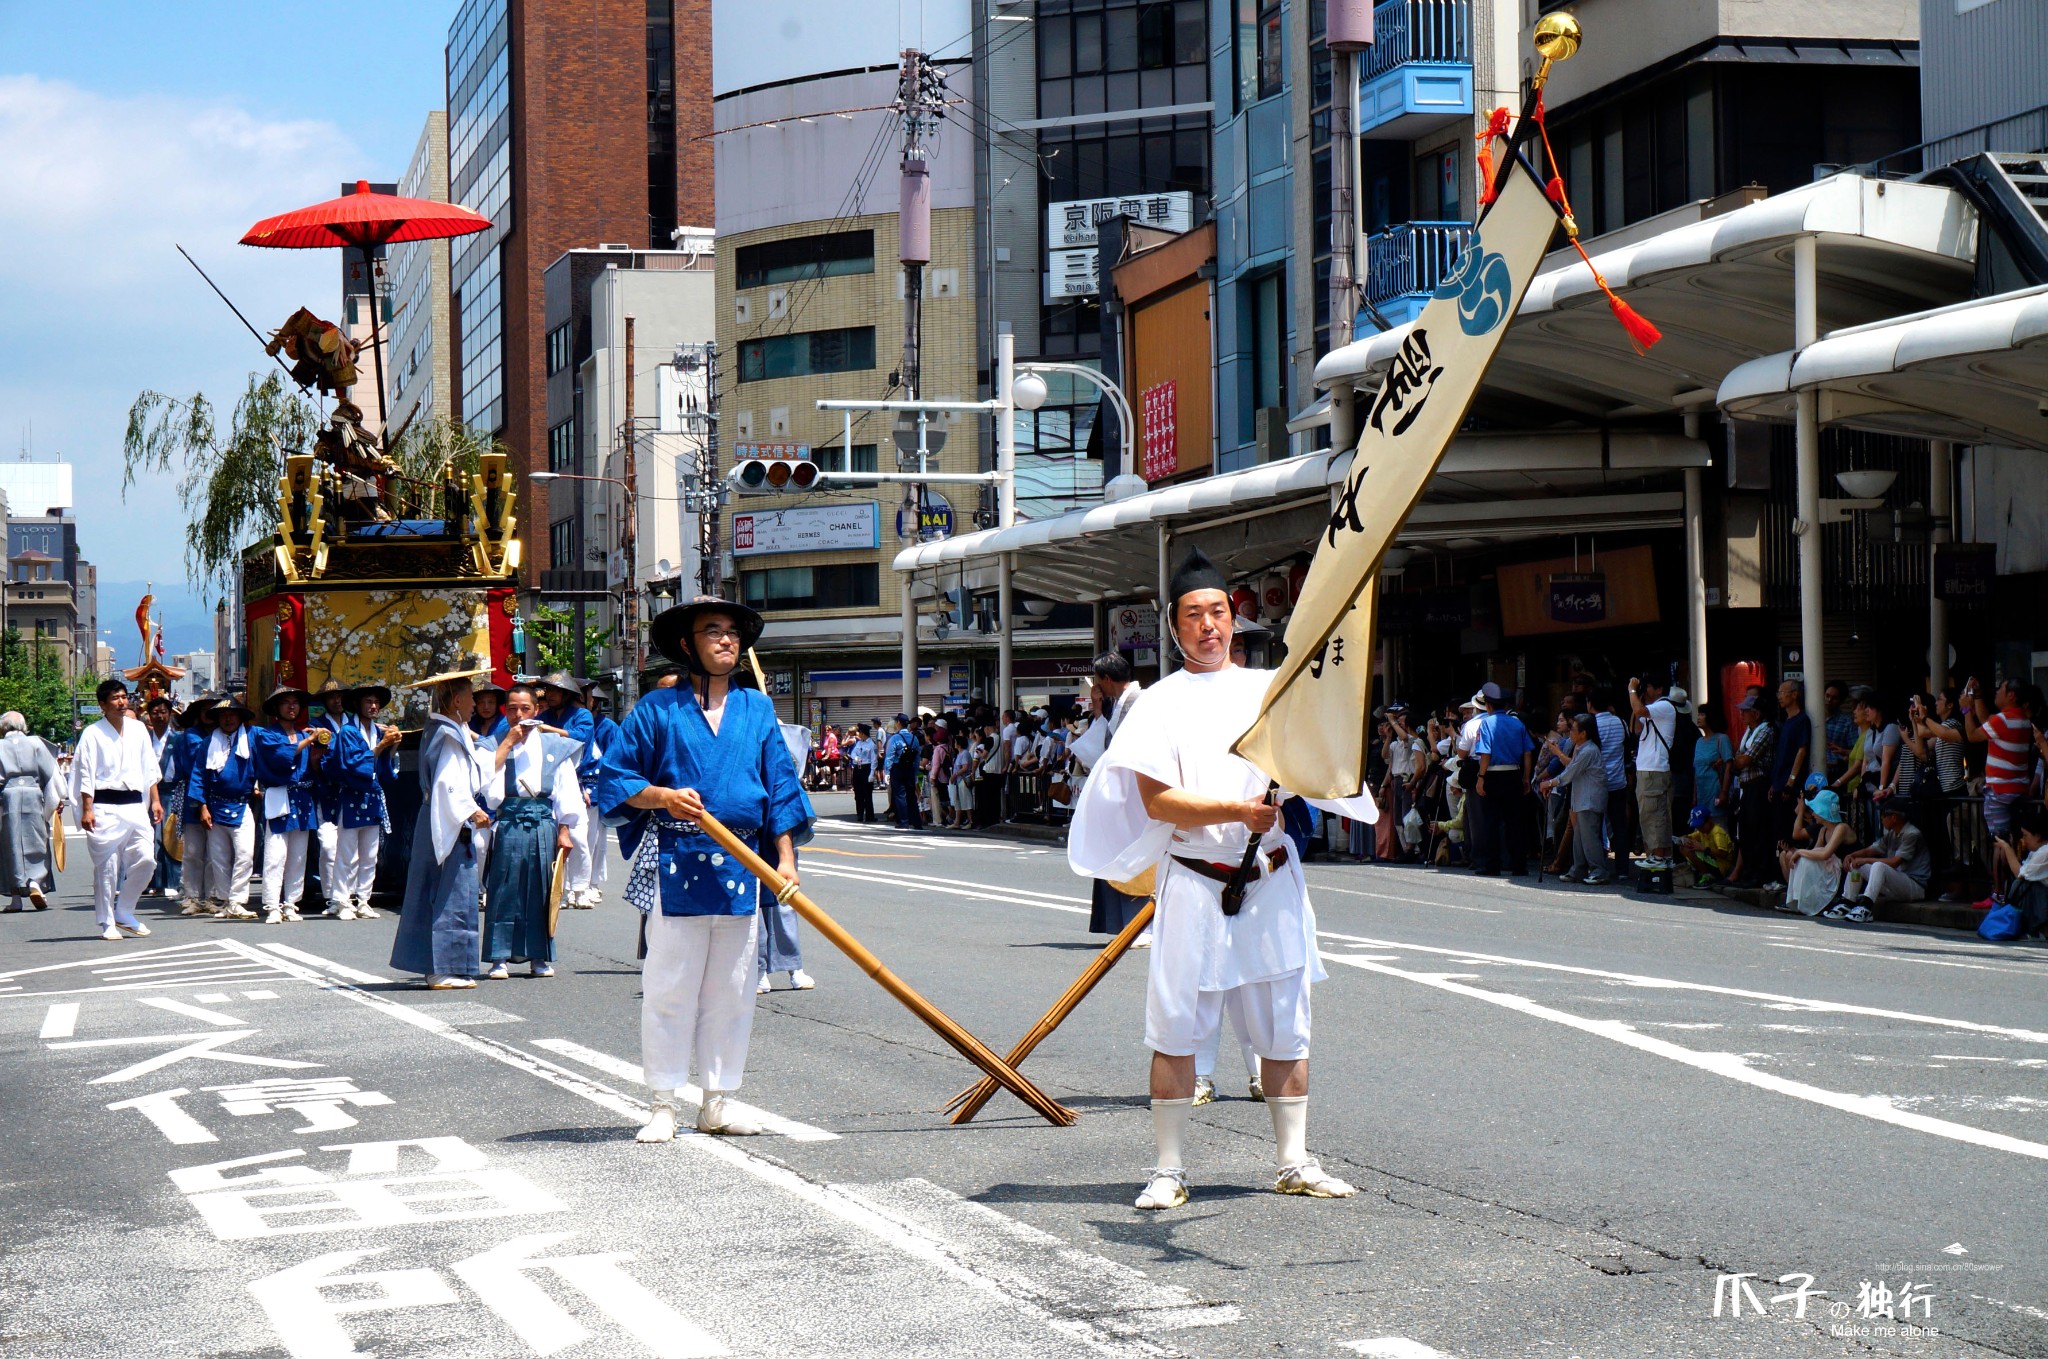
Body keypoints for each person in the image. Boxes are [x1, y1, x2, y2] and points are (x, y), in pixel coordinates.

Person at [1066, 547, 1370, 1210]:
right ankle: (1169, 1167)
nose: (1209, 624)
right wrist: (1238, 809)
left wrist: (1299, 780)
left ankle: (1293, 1159)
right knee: (1176, 1026)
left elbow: (1320, 761)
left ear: (1234, 619)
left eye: (1218, 612)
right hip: (1198, 882)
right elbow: (1159, 801)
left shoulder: (1270, 690)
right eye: (1194, 615)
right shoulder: (1158, 705)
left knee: (1286, 1025)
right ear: (1174, 630)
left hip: (1268, 878)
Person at [598, 596, 815, 1143]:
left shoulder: (757, 709)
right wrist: (663, 796)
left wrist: (785, 859)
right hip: (679, 858)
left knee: (733, 989)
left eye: (733, 632)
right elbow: (616, 778)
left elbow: (780, 789)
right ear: (686, 645)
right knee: (670, 986)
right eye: (712, 630)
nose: (727, 640)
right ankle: (663, 1102)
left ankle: (718, 1100)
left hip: (743, 864)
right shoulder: (655, 709)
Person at [390, 670, 495, 990]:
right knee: (447, 894)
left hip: (440, 817)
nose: (476, 704)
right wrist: (471, 810)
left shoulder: (450, 729)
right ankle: (441, 968)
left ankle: (446, 966)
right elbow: (448, 784)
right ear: (456, 700)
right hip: (446, 819)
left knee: (445, 892)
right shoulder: (447, 734)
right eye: (471, 697)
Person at [481, 682, 582, 980]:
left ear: (537, 710)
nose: (519, 715)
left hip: (543, 820)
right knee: (504, 888)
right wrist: (507, 744)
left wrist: (565, 829)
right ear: (505, 711)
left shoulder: (555, 746)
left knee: (541, 889)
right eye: (512, 709)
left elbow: (566, 791)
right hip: (510, 819)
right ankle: (499, 957)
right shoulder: (494, 744)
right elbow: (488, 791)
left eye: (525, 708)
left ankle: (539, 956)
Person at [74, 679, 164, 941]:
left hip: (135, 804)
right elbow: (85, 773)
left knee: (147, 859)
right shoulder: (92, 733)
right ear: (103, 704)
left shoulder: (138, 730)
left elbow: (149, 769)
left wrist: (155, 800)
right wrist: (87, 809)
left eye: (124, 697)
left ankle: (125, 910)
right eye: (115, 698)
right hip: (104, 806)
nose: (122, 702)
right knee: (108, 868)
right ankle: (107, 921)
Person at [1073, 651, 1149, 938]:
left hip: (1135, 794)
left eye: (1098, 680)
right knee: (1115, 857)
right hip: (1121, 794)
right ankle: (1126, 924)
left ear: (1106, 678)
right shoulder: (1119, 704)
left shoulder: (1140, 702)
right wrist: (1097, 706)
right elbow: (1105, 742)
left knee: (1134, 860)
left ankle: (1141, 924)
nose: (1097, 686)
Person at [251, 686, 324, 925]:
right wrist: (310, 740)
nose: (292, 707)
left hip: (302, 798)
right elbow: (282, 757)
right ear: (276, 708)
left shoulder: (305, 735)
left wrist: (317, 752)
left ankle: (291, 903)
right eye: (286, 703)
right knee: (275, 854)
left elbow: (313, 768)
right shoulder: (267, 735)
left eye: (295, 703)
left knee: (298, 856)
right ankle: (272, 904)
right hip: (280, 795)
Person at [330, 684, 401, 920]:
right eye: (368, 702)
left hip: (372, 796)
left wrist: (394, 745)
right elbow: (352, 764)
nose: (373, 706)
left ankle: (363, 899)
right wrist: (381, 746)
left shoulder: (378, 731)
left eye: (376, 702)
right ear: (358, 705)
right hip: (352, 795)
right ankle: (342, 900)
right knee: (347, 853)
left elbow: (384, 769)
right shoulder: (348, 732)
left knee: (371, 853)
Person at [187, 696, 261, 921]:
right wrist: (202, 806)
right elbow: (199, 774)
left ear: (240, 717)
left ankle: (238, 900)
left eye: (232, 714)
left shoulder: (252, 737)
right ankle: (228, 900)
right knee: (218, 858)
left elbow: (271, 754)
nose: (228, 719)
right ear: (217, 719)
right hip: (215, 806)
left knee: (245, 854)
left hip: (242, 804)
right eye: (223, 715)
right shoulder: (208, 742)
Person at [1964, 677, 2036, 894]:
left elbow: (1973, 735)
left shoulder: (2002, 720)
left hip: (1999, 790)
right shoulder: (2022, 719)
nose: (1996, 692)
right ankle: (2010, 891)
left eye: (2001, 690)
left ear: (2011, 695)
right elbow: (1988, 723)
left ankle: (1999, 893)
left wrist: (1967, 709)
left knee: (1999, 841)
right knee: (2012, 840)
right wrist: (1977, 697)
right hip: (2019, 788)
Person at [1471, 682, 1535, 876]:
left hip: (1492, 774)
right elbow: (1527, 753)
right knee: (1515, 822)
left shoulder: (1486, 724)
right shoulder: (1517, 723)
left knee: (1490, 821)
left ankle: (1492, 865)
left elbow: (1485, 753)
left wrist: (1481, 777)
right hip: (1514, 774)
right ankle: (1518, 865)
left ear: (1488, 706)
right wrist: (1525, 777)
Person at [568, 677, 621, 909]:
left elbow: (613, 758)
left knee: (595, 840)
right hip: (577, 783)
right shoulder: (573, 720)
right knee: (577, 839)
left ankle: (590, 882)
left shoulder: (607, 727)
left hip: (597, 786)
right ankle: (572, 884)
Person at [1541, 713, 1610, 885]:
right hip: (1582, 799)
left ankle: (1598, 870)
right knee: (1579, 837)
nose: (1570, 732)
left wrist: (1550, 783)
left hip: (1590, 800)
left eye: (1573, 729)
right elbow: (1571, 768)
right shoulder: (1582, 748)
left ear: (1583, 733)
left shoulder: (1589, 750)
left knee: (1589, 837)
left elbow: (1570, 773)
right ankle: (1578, 870)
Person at [0, 711, 58, 912]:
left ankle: (16, 899)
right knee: (37, 839)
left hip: (8, 796)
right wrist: (55, 801)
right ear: (23, 726)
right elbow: (51, 774)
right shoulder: (36, 743)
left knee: (11, 845)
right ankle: (35, 882)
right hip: (34, 793)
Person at [1836, 803, 1929, 922]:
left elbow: (1895, 862)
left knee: (1879, 866)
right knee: (1857, 865)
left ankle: (1866, 906)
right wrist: (1852, 856)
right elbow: (1870, 850)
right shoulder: (1891, 834)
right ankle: (1847, 901)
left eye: (1884, 815)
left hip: (1914, 886)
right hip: (1896, 885)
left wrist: (1865, 860)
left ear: (1894, 818)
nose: (1881, 818)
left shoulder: (1912, 834)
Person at [172, 697, 221, 916]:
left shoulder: (225, 735)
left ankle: (210, 896)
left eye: (213, 710)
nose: (209, 713)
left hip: (220, 796)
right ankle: (191, 896)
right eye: (205, 710)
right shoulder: (190, 737)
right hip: (194, 795)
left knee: (214, 852)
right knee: (193, 850)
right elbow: (190, 768)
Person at [308, 681, 353, 915]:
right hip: (325, 792)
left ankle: (348, 894)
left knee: (351, 846)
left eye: (341, 696)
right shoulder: (315, 726)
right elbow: (312, 760)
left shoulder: (354, 724)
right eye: (332, 697)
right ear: (324, 701)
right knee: (328, 846)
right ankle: (330, 896)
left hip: (351, 791)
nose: (337, 701)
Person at [1628, 674, 1678, 870]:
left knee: (1656, 813)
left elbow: (1639, 710)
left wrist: (1632, 691)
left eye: (1648, 687)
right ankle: (1656, 855)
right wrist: (1637, 698)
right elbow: (1636, 727)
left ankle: (1659, 855)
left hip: (1655, 769)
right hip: (1647, 769)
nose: (1645, 691)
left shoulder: (1665, 706)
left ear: (1659, 689)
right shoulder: (1654, 711)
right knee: (1648, 814)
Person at [1778, 789, 1855, 917]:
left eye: (1815, 810)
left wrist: (1800, 852)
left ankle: (1809, 902)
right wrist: (1794, 852)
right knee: (1802, 860)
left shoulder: (1841, 828)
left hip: (1847, 873)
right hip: (1831, 872)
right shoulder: (1823, 831)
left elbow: (1825, 853)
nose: (1813, 813)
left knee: (1803, 858)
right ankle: (1797, 901)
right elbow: (1814, 853)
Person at [1729, 694, 1776, 888]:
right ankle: (1747, 873)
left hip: (1759, 785)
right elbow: (1737, 759)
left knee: (1758, 832)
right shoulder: (1750, 732)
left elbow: (1744, 760)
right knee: (1746, 831)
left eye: (1745, 711)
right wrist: (1738, 759)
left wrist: (1739, 759)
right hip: (1746, 786)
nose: (1741, 714)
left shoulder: (1766, 731)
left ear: (1756, 714)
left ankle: (1758, 874)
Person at [142, 696, 183, 901]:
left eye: (163, 712)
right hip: (149, 793)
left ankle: (173, 882)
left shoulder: (179, 739)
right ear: (149, 716)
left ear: (170, 714)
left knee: (171, 837)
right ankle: (153, 882)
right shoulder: (144, 739)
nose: (159, 716)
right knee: (151, 839)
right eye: (155, 712)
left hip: (172, 792)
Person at [1589, 689, 1630, 873]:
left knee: (1595, 826)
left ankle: (1598, 867)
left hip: (1597, 782)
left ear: (1590, 704)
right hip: (1618, 782)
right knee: (1620, 826)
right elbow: (1628, 748)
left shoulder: (1590, 724)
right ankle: (1622, 869)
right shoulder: (1620, 722)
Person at [1690, 704, 1734, 827]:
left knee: (1719, 829)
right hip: (1701, 795)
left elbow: (1729, 766)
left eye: (1702, 714)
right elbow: (1696, 771)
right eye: (1699, 714)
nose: (1699, 717)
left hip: (1715, 793)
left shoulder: (1722, 739)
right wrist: (1694, 797)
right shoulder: (1699, 742)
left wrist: (1724, 792)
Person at [1675, 806, 1736, 886]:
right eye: (1698, 827)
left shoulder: (1717, 832)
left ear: (1709, 820)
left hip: (1721, 866)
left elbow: (1723, 854)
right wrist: (1683, 839)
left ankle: (1708, 875)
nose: (1700, 829)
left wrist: (1703, 849)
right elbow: (1689, 836)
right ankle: (1702, 873)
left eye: (1701, 826)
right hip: (1712, 861)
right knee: (1684, 847)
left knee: (1688, 849)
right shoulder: (1702, 832)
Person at [885, 713, 924, 830]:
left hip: (898, 768)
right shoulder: (914, 738)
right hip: (910, 769)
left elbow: (890, 756)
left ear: (898, 723)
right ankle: (917, 822)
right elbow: (917, 758)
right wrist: (915, 772)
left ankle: (903, 821)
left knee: (900, 795)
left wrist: (887, 772)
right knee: (911, 795)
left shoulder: (895, 738)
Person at [847, 723, 878, 823]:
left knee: (867, 794)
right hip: (857, 769)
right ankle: (859, 814)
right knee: (858, 793)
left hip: (866, 768)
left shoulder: (872, 745)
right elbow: (853, 753)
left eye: (859, 732)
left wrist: (872, 773)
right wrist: (855, 758)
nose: (858, 734)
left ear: (863, 733)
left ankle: (870, 815)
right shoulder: (859, 743)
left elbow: (874, 760)